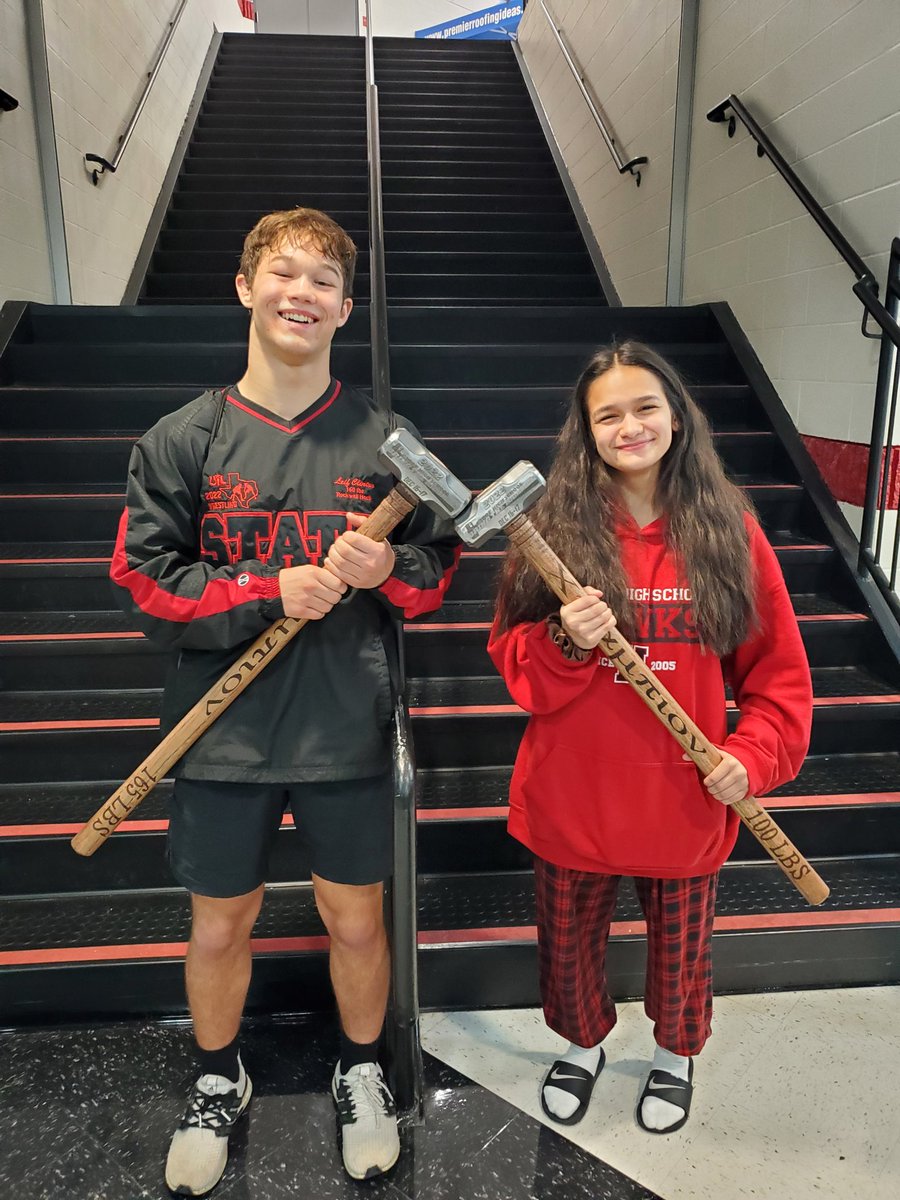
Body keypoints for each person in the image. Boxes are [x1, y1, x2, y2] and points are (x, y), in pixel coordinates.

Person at [110, 207, 460, 1194]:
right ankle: (218, 1080)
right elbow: (145, 583)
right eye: (283, 272)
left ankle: (360, 1071)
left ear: (346, 309)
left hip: (348, 726)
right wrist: (264, 592)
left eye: (324, 281)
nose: (301, 292)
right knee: (219, 925)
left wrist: (390, 566)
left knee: (357, 921)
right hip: (221, 732)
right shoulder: (182, 439)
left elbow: (438, 572)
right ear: (245, 287)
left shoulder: (387, 440)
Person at [488, 340, 812, 1134]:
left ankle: (675, 1056)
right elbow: (516, 668)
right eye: (608, 415)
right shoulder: (549, 535)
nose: (629, 427)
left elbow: (778, 678)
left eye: (645, 408)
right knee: (567, 949)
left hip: (684, 796)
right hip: (574, 793)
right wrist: (564, 639)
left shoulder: (730, 533)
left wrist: (750, 757)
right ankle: (582, 1044)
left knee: (682, 954)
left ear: (677, 417)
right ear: (585, 430)